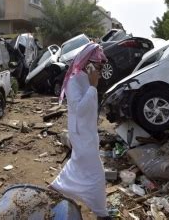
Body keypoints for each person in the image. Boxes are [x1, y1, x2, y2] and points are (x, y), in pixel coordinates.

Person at [49, 42, 110, 219]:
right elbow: (79, 109)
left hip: (87, 133)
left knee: (78, 164)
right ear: (88, 64)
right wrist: (92, 87)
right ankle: (102, 213)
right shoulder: (74, 81)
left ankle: (56, 188)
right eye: (98, 66)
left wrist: (92, 85)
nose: (100, 69)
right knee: (96, 175)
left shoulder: (86, 79)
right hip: (81, 134)